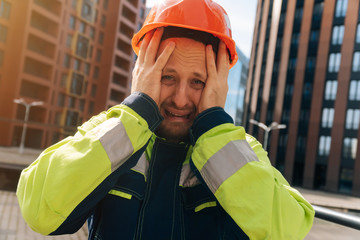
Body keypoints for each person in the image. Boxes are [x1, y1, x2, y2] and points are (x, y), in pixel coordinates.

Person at [16, 0, 314, 239]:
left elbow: (287, 230)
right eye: (167, 76)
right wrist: (136, 114)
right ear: (143, 73)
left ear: (219, 83)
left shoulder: (240, 149)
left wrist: (213, 129)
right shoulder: (112, 131)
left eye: (198, 82)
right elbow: (39, 210)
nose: (181, 99)